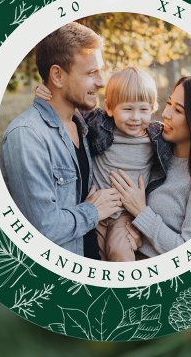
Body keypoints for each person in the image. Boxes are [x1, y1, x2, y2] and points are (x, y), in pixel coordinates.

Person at [0, 22, 122, 259]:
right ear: (57, 75)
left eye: (100, 71)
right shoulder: (27, 136)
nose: (101, 81)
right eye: (90, 73)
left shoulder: (84, 126)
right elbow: (42, 228)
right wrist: (94, 211)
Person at [36, 66, 172, 262]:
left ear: (153, 108)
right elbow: (69, 105)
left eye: (143, 109)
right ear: (109, 108)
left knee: (119, 252)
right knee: (92, 254)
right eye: (127, 109)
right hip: (95, 207)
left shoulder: (157, 137)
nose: (135, 117)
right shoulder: (100, 123)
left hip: (125, 214)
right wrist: (46, 93)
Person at [110, 75, 191, 257]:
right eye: (169, 104)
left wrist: (141, 212)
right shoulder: (152, 148)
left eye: (178, 110)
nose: (166, 113)